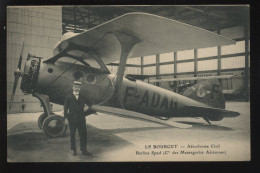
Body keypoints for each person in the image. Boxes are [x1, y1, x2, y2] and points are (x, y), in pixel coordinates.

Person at [64, 81, 92, 156]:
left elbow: (90, 102)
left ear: (80, 88)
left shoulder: (83, 96)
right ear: (73, 87)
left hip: (81, 119)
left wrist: (87, 107)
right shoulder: (68, 97)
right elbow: (65, 108)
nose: (77, 88)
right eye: (75, 87)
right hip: (72, 119)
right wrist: (66, 118)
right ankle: (73, 150)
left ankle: (84, 150)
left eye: (78, 87)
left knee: (83, 134)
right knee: (72, 135)